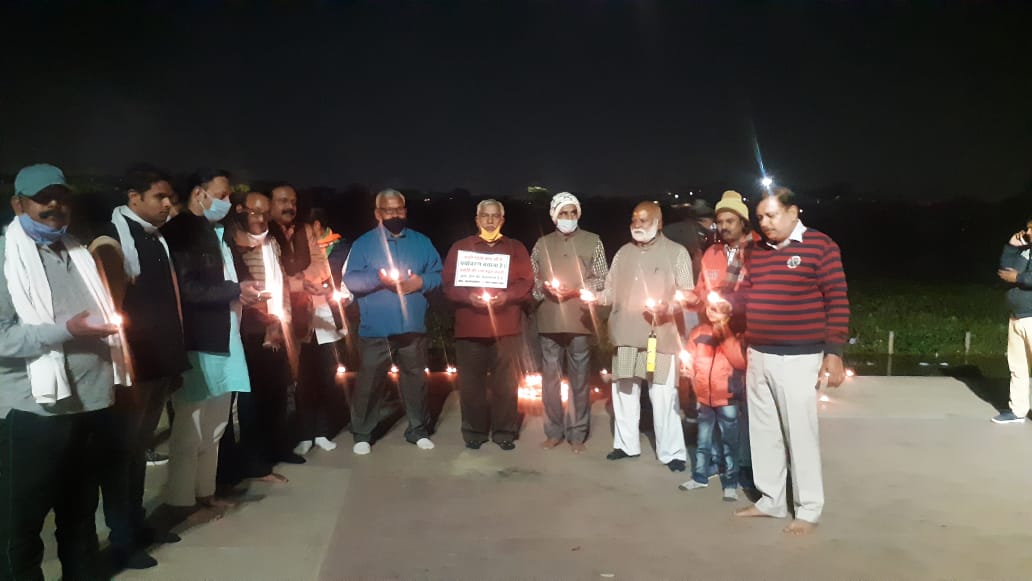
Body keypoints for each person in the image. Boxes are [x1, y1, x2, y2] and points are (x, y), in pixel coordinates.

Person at [0, 163, 130, 580]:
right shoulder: (7, 259)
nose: (54, 205)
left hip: (91, 406)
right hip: (34, 415)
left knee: (79, 518)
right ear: (18, 203)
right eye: (42, 198)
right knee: (19, 526)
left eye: (60, 196)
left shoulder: (77, 251)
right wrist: (66, 331)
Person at [732, 186, 849, 535]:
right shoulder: (755, 251)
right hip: (758, 354)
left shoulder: (820, 247)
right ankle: (771, 500)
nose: (764, 223)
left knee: (800, 434)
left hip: (799, 358)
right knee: (764, 431)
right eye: (760, 217)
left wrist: (834, 353)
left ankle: (808, 509)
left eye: (771, 215)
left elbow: (837, 300)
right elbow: (749, 293)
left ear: (794, 212)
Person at [91, 164, 189, 568]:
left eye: (169, 198)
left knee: (138, 450)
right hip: (133, 368)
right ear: (134, 198)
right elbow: (108, 308)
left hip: (159, 361)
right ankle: (122, 537)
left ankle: (137, 524)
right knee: (123, 453)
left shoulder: (154, 239)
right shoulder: (112, 241)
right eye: (159, 197)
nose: (168, 204)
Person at [161, 168, 263, 512]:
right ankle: (179, 500)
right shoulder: (180, 233)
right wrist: (236, 290)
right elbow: (187, 289)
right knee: (189, 425)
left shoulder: (216, 232)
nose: (228, 202)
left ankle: (204, 492)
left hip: (226, 335)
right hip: (198, 340)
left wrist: (246, 290)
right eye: (221, 195)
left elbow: (233, 275)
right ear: (198, 193)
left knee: (217, 423)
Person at [582, 201, 691, 470]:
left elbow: (687, 292)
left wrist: (670, 306)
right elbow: (609, 292)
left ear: (659, 222)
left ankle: (672, 452)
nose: (638, 225)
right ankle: (626, 445)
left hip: (662, 337)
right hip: (626, 335)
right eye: (634, 220)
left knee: (664, 395)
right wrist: (592, 298)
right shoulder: (622, 253)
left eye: (644, 220)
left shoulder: (677, 253)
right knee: (624, 392)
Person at [343, 189, 443, 454]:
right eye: (389, 210)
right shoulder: (364, 244)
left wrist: (421, 281)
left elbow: (440, 274)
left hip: (412, 328)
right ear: (378, 214)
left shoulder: (422, 242)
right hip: (376, 329)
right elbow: (351, 280)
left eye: (399, 209)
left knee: (415, 380)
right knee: (369, 381)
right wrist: (379, 279)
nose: (395, 214)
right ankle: (363, 433)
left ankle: (418, 430)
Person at [682, 190, 760, 500]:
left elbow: (757, 293)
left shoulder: (758, 251)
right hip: (710, 338)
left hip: (741, 338)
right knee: (711, 405)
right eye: (720, 221)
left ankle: (743, 469)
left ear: (742, 221)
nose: (724, 226)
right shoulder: (712, 252)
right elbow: (704, 289)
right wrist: (693, 299)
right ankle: (711, 466)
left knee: (739, 410)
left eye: (730, 220)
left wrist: (731, 309)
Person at [442, 199, 533, 450]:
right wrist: (467, 297)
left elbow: (527, 282)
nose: (490, 220)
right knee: (471, 385)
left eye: (495, 216)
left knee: (506, 384)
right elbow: (448, 284)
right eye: (485, 216)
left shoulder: (515, 248)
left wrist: (508, 296)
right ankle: (474, 431)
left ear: (502, 220)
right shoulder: (461, 247)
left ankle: (504, 431)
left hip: (506, 328)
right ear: (477, 219)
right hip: (470, 328)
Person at [221, 191, 295, 483]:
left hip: (275, 328)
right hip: (248, 332)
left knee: (275, 395)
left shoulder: (271, 242)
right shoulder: (231, 247)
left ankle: (274, 451)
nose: (261, 218)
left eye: (265, 213)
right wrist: (266, 325)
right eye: (255, 212)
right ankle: (252, 464)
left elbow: (282, 285)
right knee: (250, 403)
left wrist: (280, 321)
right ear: (240, 211)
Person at [267, 184, 342, 457]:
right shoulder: (265, 233)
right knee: (294, 379)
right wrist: (296, 284)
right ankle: (300, 433)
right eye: (283, 200)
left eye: (293, 201)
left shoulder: (305, 230)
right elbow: (269, 273)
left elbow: (320, 265)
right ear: (270, 203)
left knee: (321, 373)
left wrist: (299, 282)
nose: (289, 206)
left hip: (314, 314)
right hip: (281, 317)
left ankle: (320, 430)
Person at [530, 192, 607, 453]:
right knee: (550, 380)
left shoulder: (593, 241)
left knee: (580, 379)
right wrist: (547, 289)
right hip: (549, 318)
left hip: (579, 319)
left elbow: (601, 278)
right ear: (554, 216)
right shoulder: (542, 244)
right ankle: (553, 432)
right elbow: (533, 279)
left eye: (573, 213)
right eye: (563, 213)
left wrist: (577, 290)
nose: (568, 218)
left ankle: (577, 434)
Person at [677, 296, 745, 501]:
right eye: (709, 308)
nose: (710, 311)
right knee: (703, 440)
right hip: (704, 396)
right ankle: (700, 476)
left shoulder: (736, 333)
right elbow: (689, 356)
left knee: (729, 442)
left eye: (717, 309)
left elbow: (740, 362)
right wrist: (686, 367)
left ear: (728, 312)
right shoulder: (699, 332)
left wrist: (725, 331)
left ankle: (731, 482)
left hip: (727, 397)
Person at [995, 218, 1032, 424]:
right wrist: (1011, 247)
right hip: (1017, 317)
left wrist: (1018, 278)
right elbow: (1005, 271)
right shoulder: (1026, 251)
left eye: (1031, 229)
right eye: (1027, 228)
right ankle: (1017, 411)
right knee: (1018, 367)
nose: (1027, 232)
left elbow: (1016, 277)